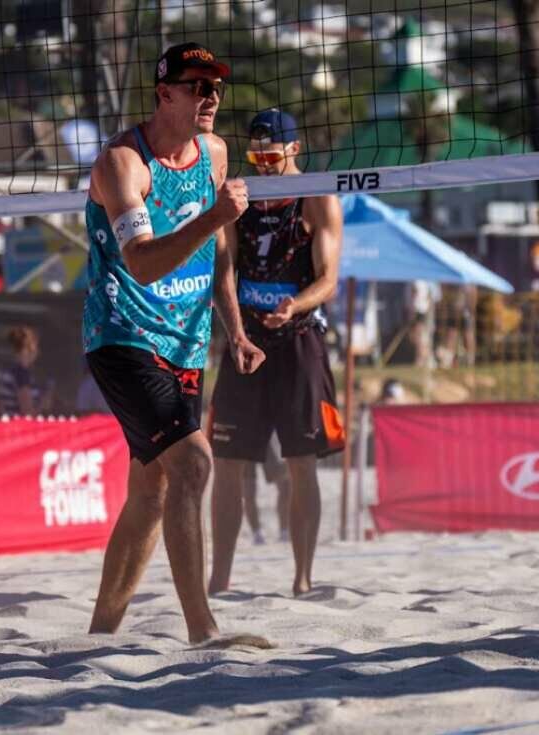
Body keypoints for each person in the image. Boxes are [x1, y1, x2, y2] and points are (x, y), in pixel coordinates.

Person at [81, 43, 266, 645]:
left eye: (217, 88)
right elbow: (139, 262)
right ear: (165, 94)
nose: (210, 97)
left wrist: (235, 328)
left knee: (151, 490)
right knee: (193, 463)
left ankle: (100, 635)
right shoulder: (121, 163)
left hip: (186, 345)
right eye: (197, 86)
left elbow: (218, 256)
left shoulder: (213, 152)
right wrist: (215, 217)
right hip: (123, 336)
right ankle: (203, 632)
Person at [208, 108, 344, 596]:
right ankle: (220, 576)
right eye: (255, 154)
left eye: (270, 153)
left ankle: (303, 578)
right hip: (246, 339)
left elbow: (328, 278)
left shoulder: (316, 195)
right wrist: (234, 325)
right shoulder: (241, 197)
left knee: (301, 459)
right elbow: (225, 266)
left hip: (299, 337)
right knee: (227, 461)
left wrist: (295, 305)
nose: (262, 162)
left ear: (293, 149)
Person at [0, 326, 53, 415]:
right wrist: (43, 401)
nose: (37, 352)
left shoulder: (4, 371)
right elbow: (28, 414)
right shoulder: (21, 374)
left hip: (6, 425)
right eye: (36, 347)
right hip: (18, 426)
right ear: (30, 348)